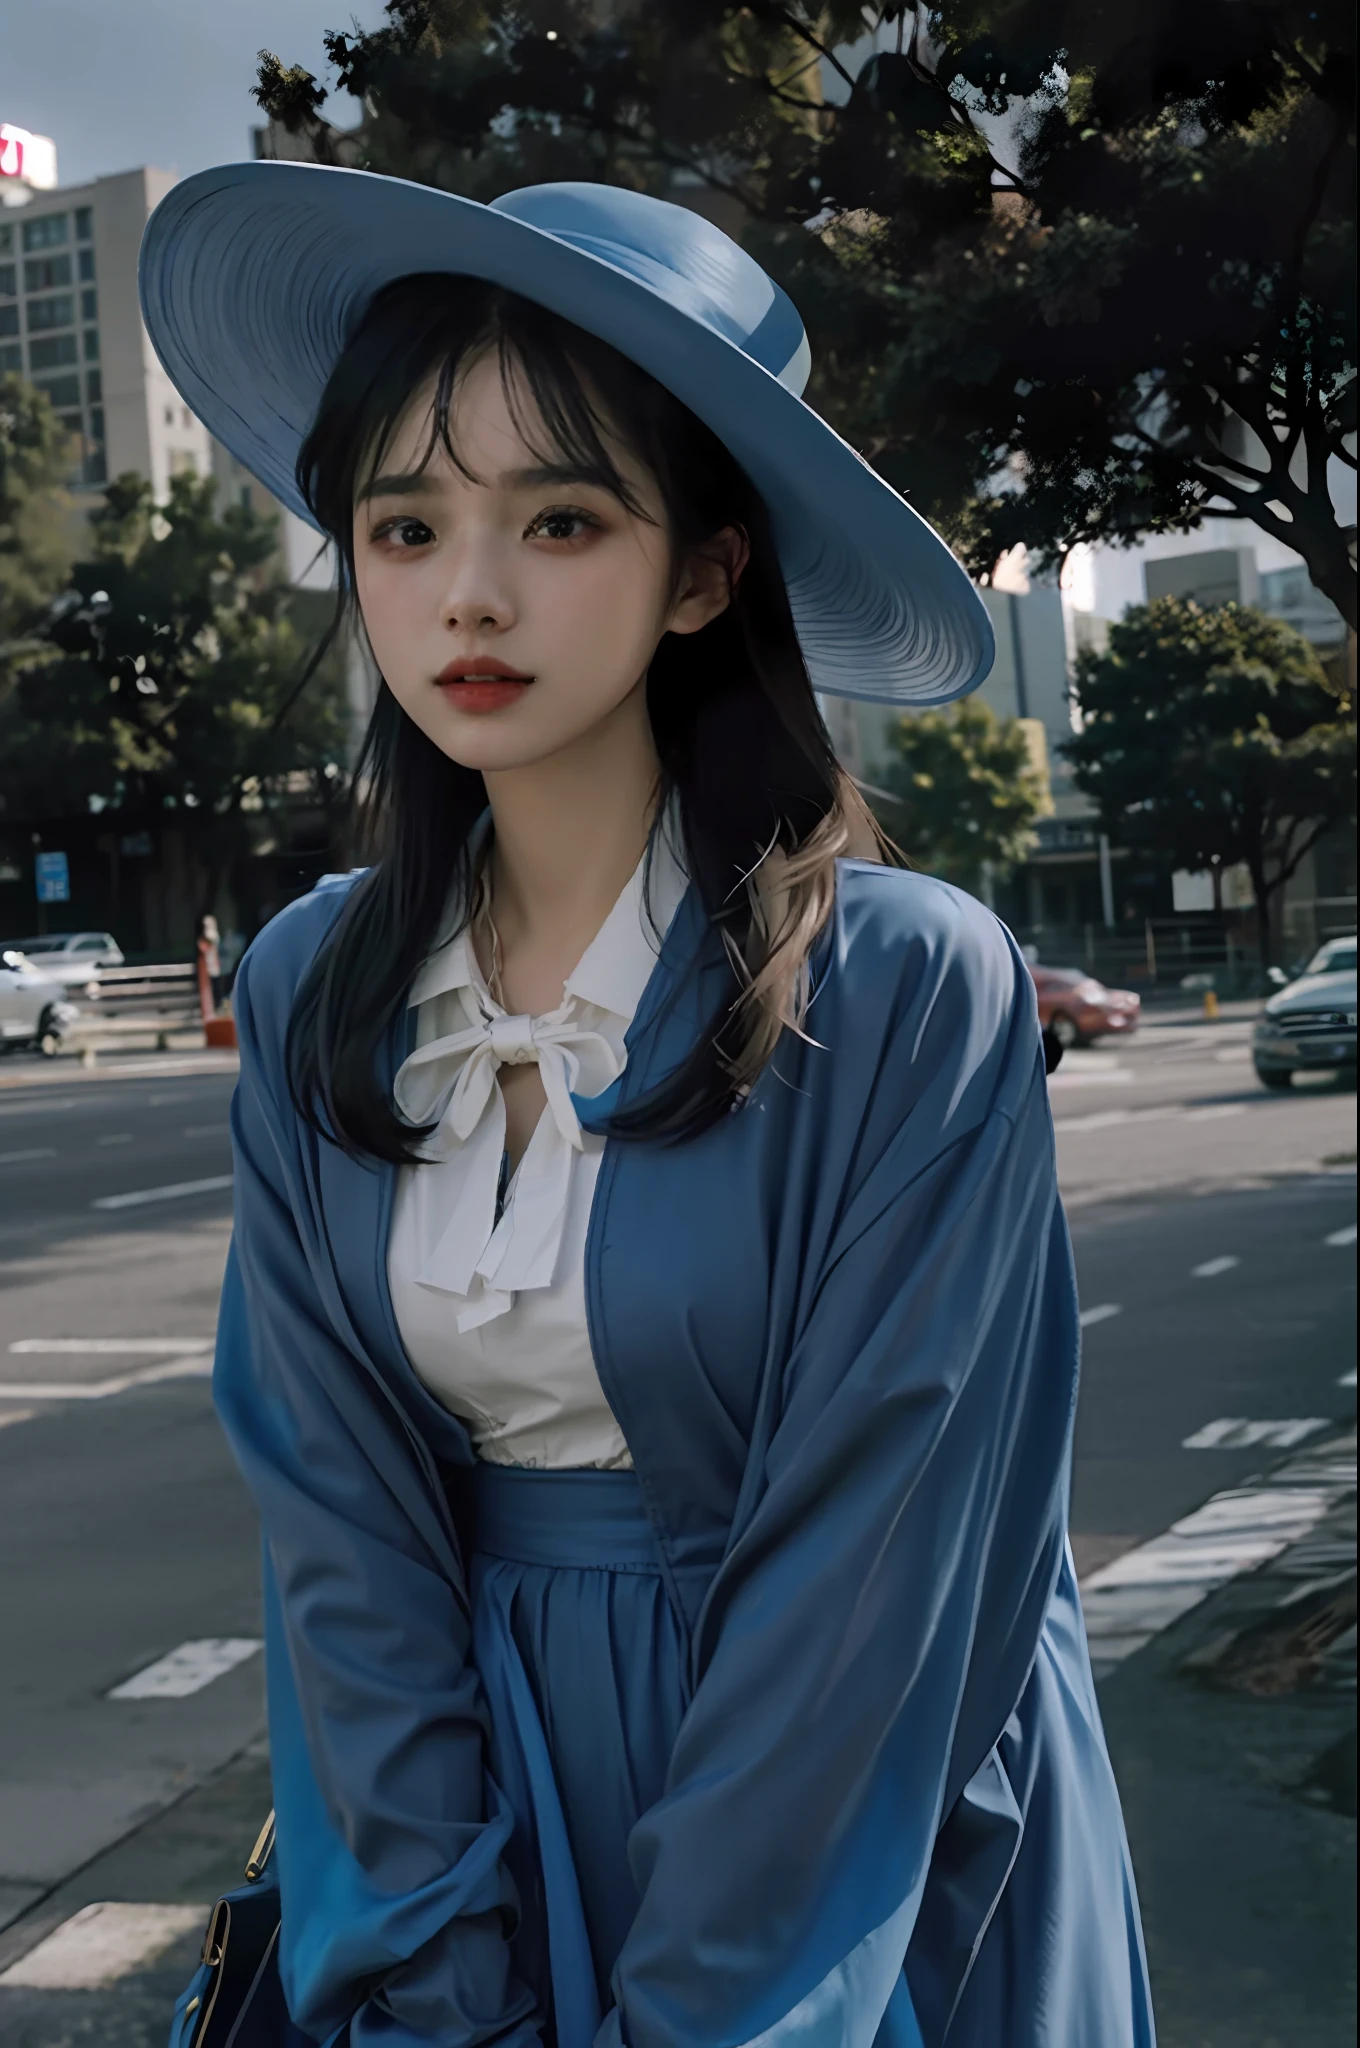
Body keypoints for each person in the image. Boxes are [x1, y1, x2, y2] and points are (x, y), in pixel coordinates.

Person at [141, 170, 1155, 2048]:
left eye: (563, 517)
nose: (470, 590)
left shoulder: (908, 991)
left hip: (846, 1840)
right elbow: (342, 1550)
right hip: (466, 1824)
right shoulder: (313, 990)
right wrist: (442, 1995)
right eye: (406, 522)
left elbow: (875, 1593)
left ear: (705, 566)